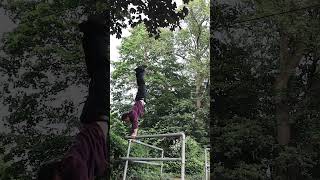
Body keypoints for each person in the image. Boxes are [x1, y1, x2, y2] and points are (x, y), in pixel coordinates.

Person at [37, 15, 109, 180]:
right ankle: (91, 33)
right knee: (97, 73)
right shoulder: (74, 166)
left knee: (102, 70)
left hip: (96, 115)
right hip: (94, 117)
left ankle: (96, 30)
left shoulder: (71, 166)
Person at [121, 66, 147, 138]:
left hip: (140, 98)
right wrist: (132, 134)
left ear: (127, 117)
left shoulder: (132, 113)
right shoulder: (131, 117)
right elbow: (133, 125)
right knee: (141, 85)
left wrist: (135, 133)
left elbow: (135, 122)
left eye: (125, 120)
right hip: (140, 99)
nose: (126, 122)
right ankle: (138, 71)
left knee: (142, 84)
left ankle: (140, 70)